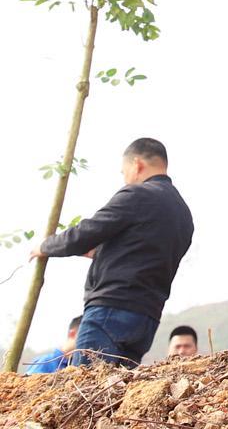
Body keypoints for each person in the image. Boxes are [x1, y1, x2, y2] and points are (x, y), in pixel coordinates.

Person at [29, 138, 194, 367]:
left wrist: (45, 246)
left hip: (110, 308)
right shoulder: (182, 213)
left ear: (136, 164)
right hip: (147, 316)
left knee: (87, 389)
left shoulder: (138, 195)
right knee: (115, 394)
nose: (125, 179)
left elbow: (87, 231)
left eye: (124, 172)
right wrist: (102, 252)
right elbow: (143, 252)